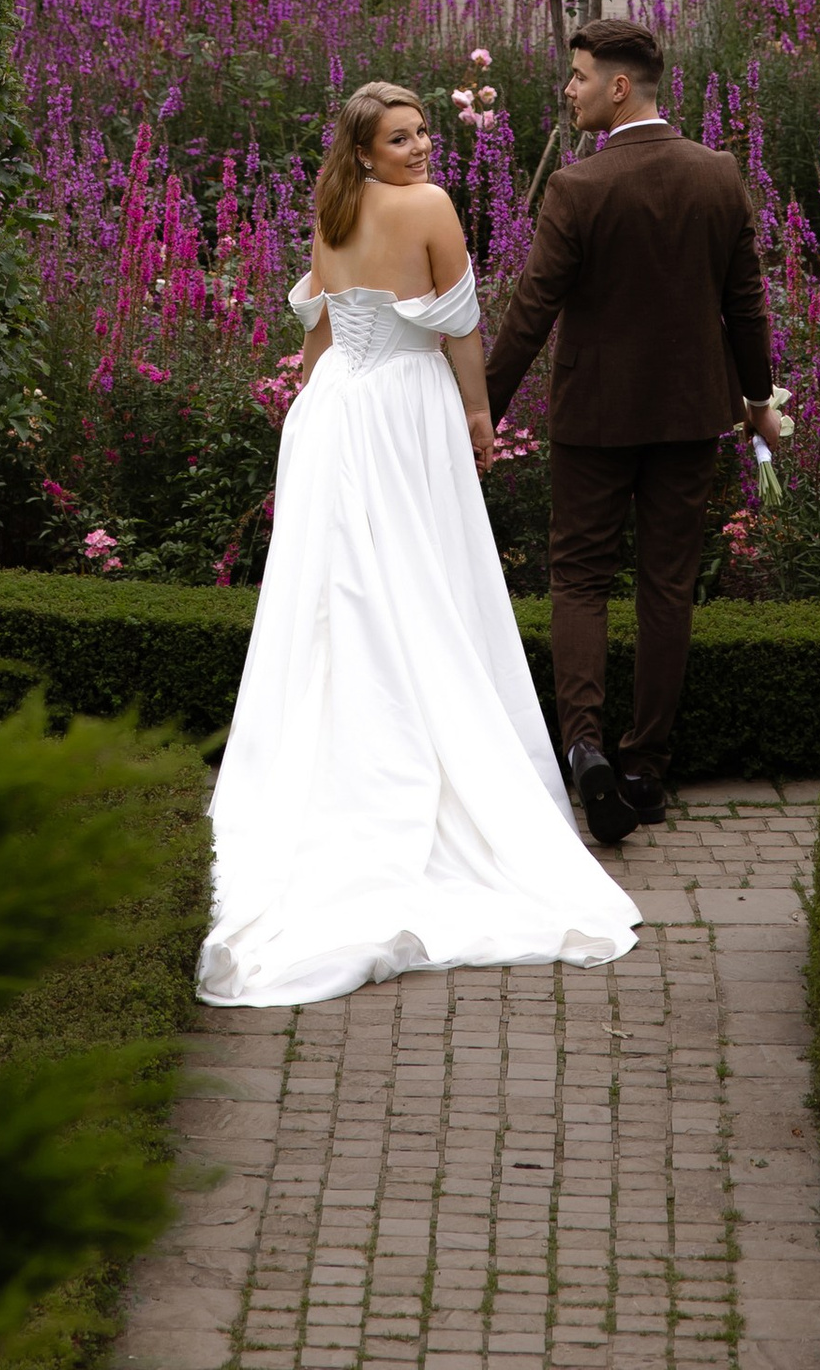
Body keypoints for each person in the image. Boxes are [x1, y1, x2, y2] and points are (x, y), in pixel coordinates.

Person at [196, 76, 639, 1007]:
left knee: (342, 585)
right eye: (402, 138)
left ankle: (343, 747)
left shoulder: (335, 207)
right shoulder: (431, 207)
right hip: (404, 412)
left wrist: (307, 412)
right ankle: (423, 745)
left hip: (333, 415)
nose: (424, 147)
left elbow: (318, 338)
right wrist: (480, 415)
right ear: (364, 150)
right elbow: (463, 331)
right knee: (419, 578)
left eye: (425, 132)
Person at [483, 18, 781, 848]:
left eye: (578, 77)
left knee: (578, 577)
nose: (569, 90)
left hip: (595, 417)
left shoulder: (578, 188)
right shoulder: (718, 175)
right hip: (690, 416)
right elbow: (746, 304)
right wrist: (757, 399)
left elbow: (531, 313)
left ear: (620, 87)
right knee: (666, 585)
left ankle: (583, 747)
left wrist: (481, 412)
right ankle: (645, 768)